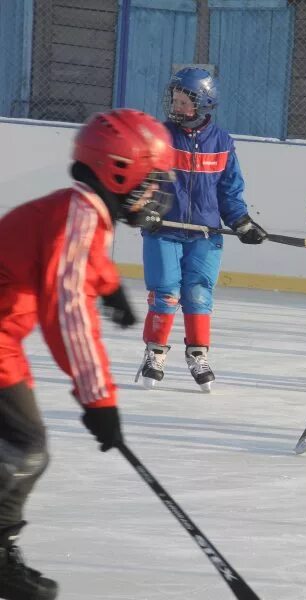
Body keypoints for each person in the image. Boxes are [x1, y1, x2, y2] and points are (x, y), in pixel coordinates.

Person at [0, 108, 174, 600]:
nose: (154, 193)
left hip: (4, 339)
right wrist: (99, 399)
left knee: (24, 447)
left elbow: (79, 264)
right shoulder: (79, 217)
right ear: (119, 169)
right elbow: (68, 313)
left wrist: (111, 286)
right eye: (149, 181)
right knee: (24, 446)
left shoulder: (81, 210)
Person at [137, 67, 268, 392]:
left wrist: (241, 222)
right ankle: (155, 352)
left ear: (204, 104)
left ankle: (198, 354)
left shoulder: (222, 142)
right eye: (175, 99)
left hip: (205, 234)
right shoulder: (160, 136)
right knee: (166, 292)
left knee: (198, 293)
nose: (177, 106)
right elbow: (142, 180)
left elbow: (229, 190)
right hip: (163, 230)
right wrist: (145, 208)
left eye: (185, 101)